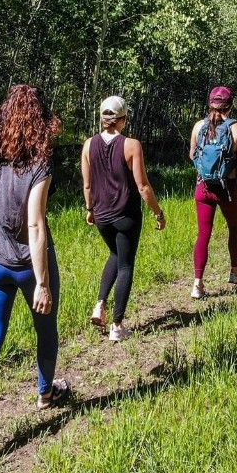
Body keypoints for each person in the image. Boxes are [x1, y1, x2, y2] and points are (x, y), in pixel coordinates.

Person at [0, 84, 68, 460]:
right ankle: (45, 393)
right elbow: (35, 226)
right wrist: (43, 284)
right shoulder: (40, 163)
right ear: (40, 120)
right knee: (45, 329)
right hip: (28, 264)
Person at [81, 96, 166, 342]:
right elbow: (143, 186)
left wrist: (90, 210)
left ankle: (100, 303)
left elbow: (87, 185)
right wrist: (158, 213)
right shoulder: (132, 145)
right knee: (126, 264)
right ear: (123, 120)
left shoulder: (88, 145)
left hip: (102, 216)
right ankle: (117, 325)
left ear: (102, 118)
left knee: (115, 254)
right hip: (126, 214)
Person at [189, 86, 237, 299]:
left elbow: (192, 155)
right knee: (234, 228)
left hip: (203, 188)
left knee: (203, 234)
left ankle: (197, 284)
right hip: (228, 188)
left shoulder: (199, 126)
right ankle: (235, 272)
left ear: (210, 104)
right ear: (231, 105)